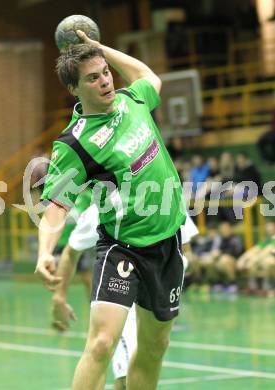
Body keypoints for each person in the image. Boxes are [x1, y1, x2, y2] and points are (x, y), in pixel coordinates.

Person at [35, 29, 186, 390]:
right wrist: (44, 251)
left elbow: (150, 77)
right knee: (101, 344)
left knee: (154, 345)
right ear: (74, 89)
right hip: (124, 248)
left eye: (105, 72)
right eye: (92, 77)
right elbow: (56, 205)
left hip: (167, 244)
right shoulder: (75, 143)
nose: (104, 81)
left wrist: (101, 48)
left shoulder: (132, 100)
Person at [51, 202, 198, 389]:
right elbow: (71, 251)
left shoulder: (168, 197)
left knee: (154, 349)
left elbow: (187, 251)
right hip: (120, 299)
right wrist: (59, 298)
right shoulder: (104, 206)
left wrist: (181, 265)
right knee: (110, 356)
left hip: (158, 291)